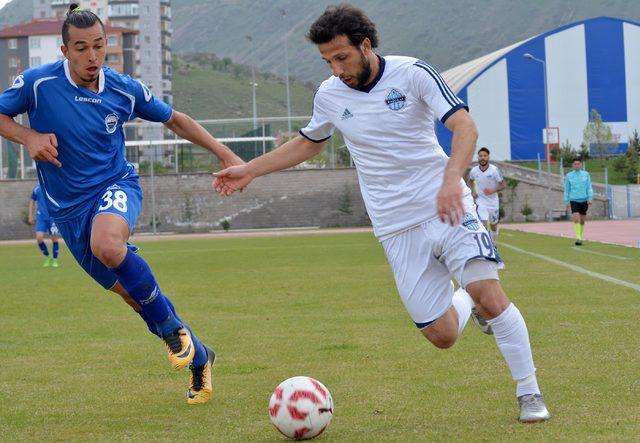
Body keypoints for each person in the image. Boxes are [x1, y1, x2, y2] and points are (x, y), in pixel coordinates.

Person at [214, 4, 550, 422]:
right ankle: (467, 301)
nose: (336, 69)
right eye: (327, 61)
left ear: (366, 45)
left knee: (492, 295)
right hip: (394, 226)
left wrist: (451, 179)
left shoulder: (412, 74)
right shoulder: (330, 95)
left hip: (446, 206)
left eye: (342, 57)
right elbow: (309, 142)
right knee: (442, 335)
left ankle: (529, 391)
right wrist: (250, 170)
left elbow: (465, 127)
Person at [0, 4, 244, 405]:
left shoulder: (122, 89)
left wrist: (224, 153)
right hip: (67, 211)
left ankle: (169, 330)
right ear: (65, 50)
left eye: (99, 45)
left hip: (115, 186)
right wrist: (28, 137)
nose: (92, 56)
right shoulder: (37, 84)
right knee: (133, 295)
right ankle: (200, 354)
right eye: (81, 48)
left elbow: (175, 119)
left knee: (109, 244)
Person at [468, 147, 505, 242]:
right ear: (478, 157)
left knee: (493, 226)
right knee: (483, 224)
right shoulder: (474, 171)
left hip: (493, 203)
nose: (482, 158)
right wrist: (472, 192)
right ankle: (487, 246)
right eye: (480, 156)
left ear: (488, 157)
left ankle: (494, 243)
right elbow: (470, 181)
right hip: (480, 201)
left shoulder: (494, 170)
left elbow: (503, 185)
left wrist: (493, 190)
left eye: (485, 156)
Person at [28, 184, 61, 267]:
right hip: (41, 217)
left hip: (52, 217)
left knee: (54, 238)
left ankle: (54, 260)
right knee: (39, 238)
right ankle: (48, 257)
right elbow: (32, 201)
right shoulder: (37, 188)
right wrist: (30, 215)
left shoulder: (52, 186)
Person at [563, 157, 593, 246]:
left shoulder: (586, 174)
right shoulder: (569, 176)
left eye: (578, 164)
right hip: (574, 200)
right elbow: (567, 189)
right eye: (575, 164)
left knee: (582, 221)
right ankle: (578, 238)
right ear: (572, 165)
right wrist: (566, 201)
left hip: (584, 200)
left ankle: (580, 236)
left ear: (581, 165)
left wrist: (590, 198)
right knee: (576, 218)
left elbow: (589, 187)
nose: (576, 165)